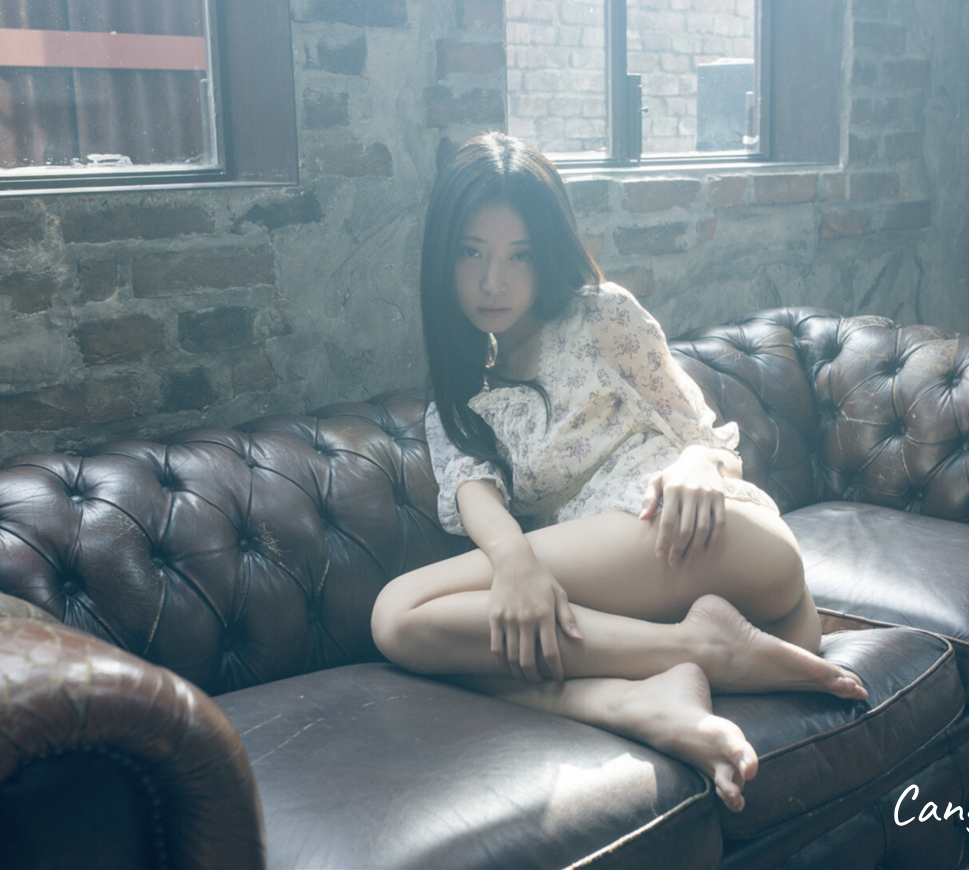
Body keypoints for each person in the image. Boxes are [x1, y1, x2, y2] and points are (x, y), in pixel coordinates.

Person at [371, 132, 866, 813]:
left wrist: (697, 464)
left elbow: (701, 435)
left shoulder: (602, 316)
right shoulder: (458, 398)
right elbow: (471, 486)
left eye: (519, 255)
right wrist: (513, 561)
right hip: (770, 622)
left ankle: (697, 649)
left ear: (547, 252)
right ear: (443, 259)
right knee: (443, 645)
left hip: (689, 529)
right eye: (471, 253)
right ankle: (638, 698)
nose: (493, 282)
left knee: (397, 611)